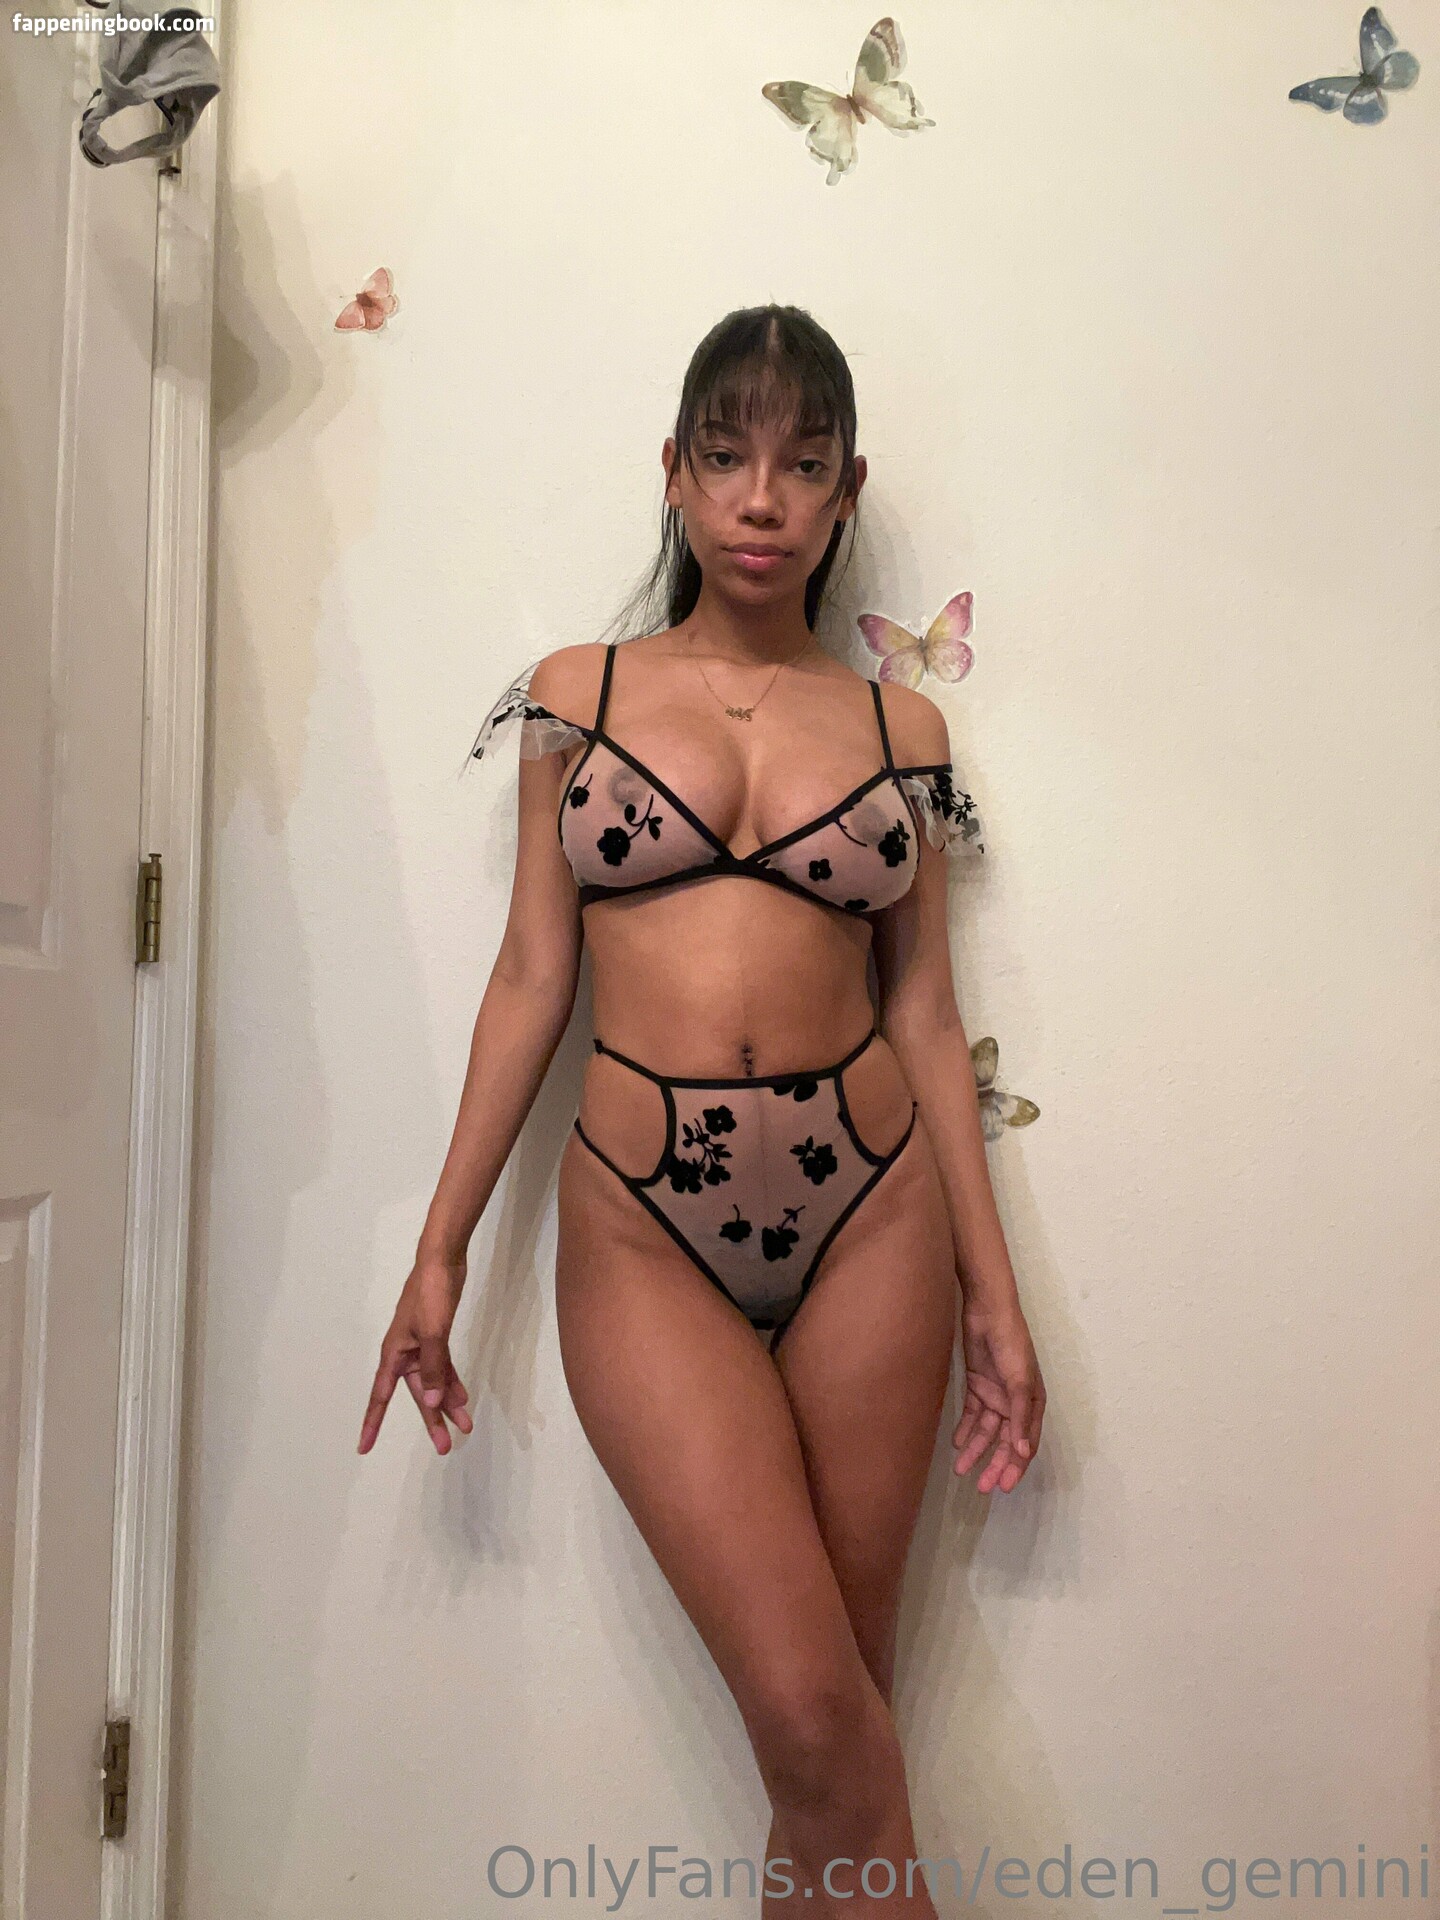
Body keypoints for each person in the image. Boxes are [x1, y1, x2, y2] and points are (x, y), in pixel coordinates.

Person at [358, 304, 1045, 1917]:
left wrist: (997, 1298)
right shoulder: (577, 696)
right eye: (727, 457)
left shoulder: (901, 729)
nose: (760, 499)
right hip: (643, 1228)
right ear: (672, 472)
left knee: (837, 1732)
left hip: (875, 1218)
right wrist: (440, 1248)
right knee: (822, 1731)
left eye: (801, 466)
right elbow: (531, 977)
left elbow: (925, 1015)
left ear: (844, 491)